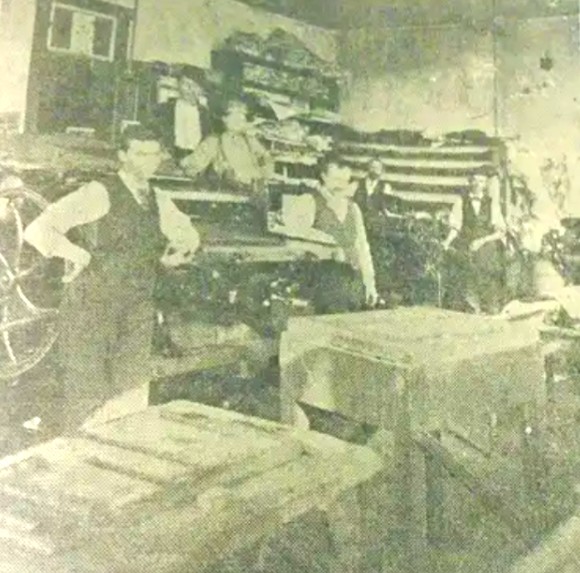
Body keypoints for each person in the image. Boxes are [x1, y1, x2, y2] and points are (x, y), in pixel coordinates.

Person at [23, 125, 201, 433]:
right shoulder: (99, 192)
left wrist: (179, 251)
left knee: (131, 396)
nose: (148, 161)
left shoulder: (158, 199)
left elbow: (187, 234)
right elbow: (36, 230)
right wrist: (77, 255)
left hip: (136, 308)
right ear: (123, 156)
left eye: (154, 155)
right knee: (87, 400)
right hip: (92, 308)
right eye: (140, 154)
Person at [310, 154, 378, 313]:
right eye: (336, 180)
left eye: (344, 181)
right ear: (323, 176)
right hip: (323, 284)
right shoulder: (311, 203)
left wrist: (370, 284)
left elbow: (362, 248)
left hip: (352, 283)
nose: (340, 186)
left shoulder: (353, 209)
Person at [442, 169, 507, 314]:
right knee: (463, 257)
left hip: (487, 240)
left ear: (485, 185)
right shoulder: (461, 201)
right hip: (466, 239)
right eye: (475, 180)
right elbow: (456, 227)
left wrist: (483, 240)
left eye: (481, 181)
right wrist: (447, 241)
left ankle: (488, 301)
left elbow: (500, 231)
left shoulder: (492, 204)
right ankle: (470, 301)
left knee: (486, 256)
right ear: (469, 182)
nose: (478, 184)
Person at [180, 99, 274, 197]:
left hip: (254, 192)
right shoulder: (214, 141)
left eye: (241, 119)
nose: (238, 122)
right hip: (228, 193)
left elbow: (266, 158)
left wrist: (264, 174)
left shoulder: (250, 141)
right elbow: (193, 164)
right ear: (224, 119)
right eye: (234, 118)